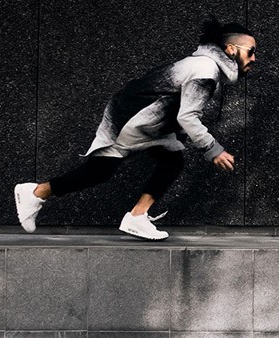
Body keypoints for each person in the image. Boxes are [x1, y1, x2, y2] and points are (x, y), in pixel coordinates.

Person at [13, 18, 257, 240]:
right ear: (231, 49)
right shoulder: (206, 71)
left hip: (143, 117)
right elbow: (188, 116)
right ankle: (37, 192)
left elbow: (177, 105)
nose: (254, 59)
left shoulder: (203, 65)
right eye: (251, 52)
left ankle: (135, 215)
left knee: (168, 162)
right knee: (101, 171)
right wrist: (213, 149)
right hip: (134, 117)